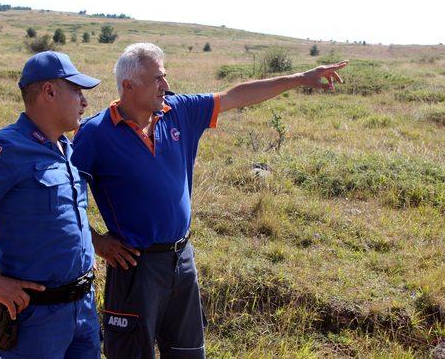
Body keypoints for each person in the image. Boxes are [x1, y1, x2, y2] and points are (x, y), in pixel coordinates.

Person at [71, 43, 347, 358]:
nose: (167, 86)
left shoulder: (180, 112)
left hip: (181, 260)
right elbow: (66, 195)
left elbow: (236, 96)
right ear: (128, 86)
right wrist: (96, 241)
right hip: (136, 268)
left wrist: (301, 78)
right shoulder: (95, 133)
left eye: (166, 76)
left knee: (187, 352)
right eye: (157, 79)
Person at [0, 51, 102, 359]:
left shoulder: (66, 148)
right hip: (34, 318)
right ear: (49, 91)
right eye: (77, 91)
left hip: (83, 308)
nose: (84, 101)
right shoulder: (7, 148)